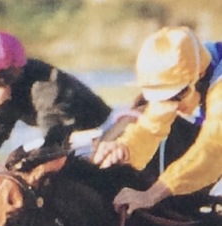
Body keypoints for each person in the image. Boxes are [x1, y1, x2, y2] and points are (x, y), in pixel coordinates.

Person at [92, 26, 222, 214]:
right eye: (160, 98)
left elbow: (213, 151)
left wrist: (152, 194)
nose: (171, 107)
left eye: (174, 96)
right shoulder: (190, 68)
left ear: (199, 75)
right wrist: (125, 148)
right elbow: (152, 126)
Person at [0, 29, 112, 166]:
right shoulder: (10, 88)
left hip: (102, 134)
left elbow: (53, 141)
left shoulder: (46, 86)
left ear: (12, 74)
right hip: (70, 137)